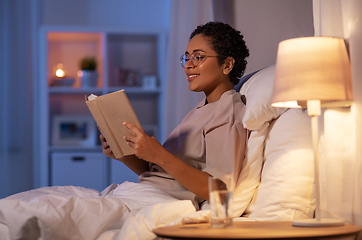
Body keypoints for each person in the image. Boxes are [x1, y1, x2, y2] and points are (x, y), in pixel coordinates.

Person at [101, 21, 250, 210]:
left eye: (198, 57)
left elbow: (219, 190)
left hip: (155, 204)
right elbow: (161, 174)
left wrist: (159, 154)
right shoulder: (202, 109)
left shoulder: (228, 112)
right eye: (186, 58)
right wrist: (123, 154)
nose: (188, 65)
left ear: (227, 65)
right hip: (141, 194)